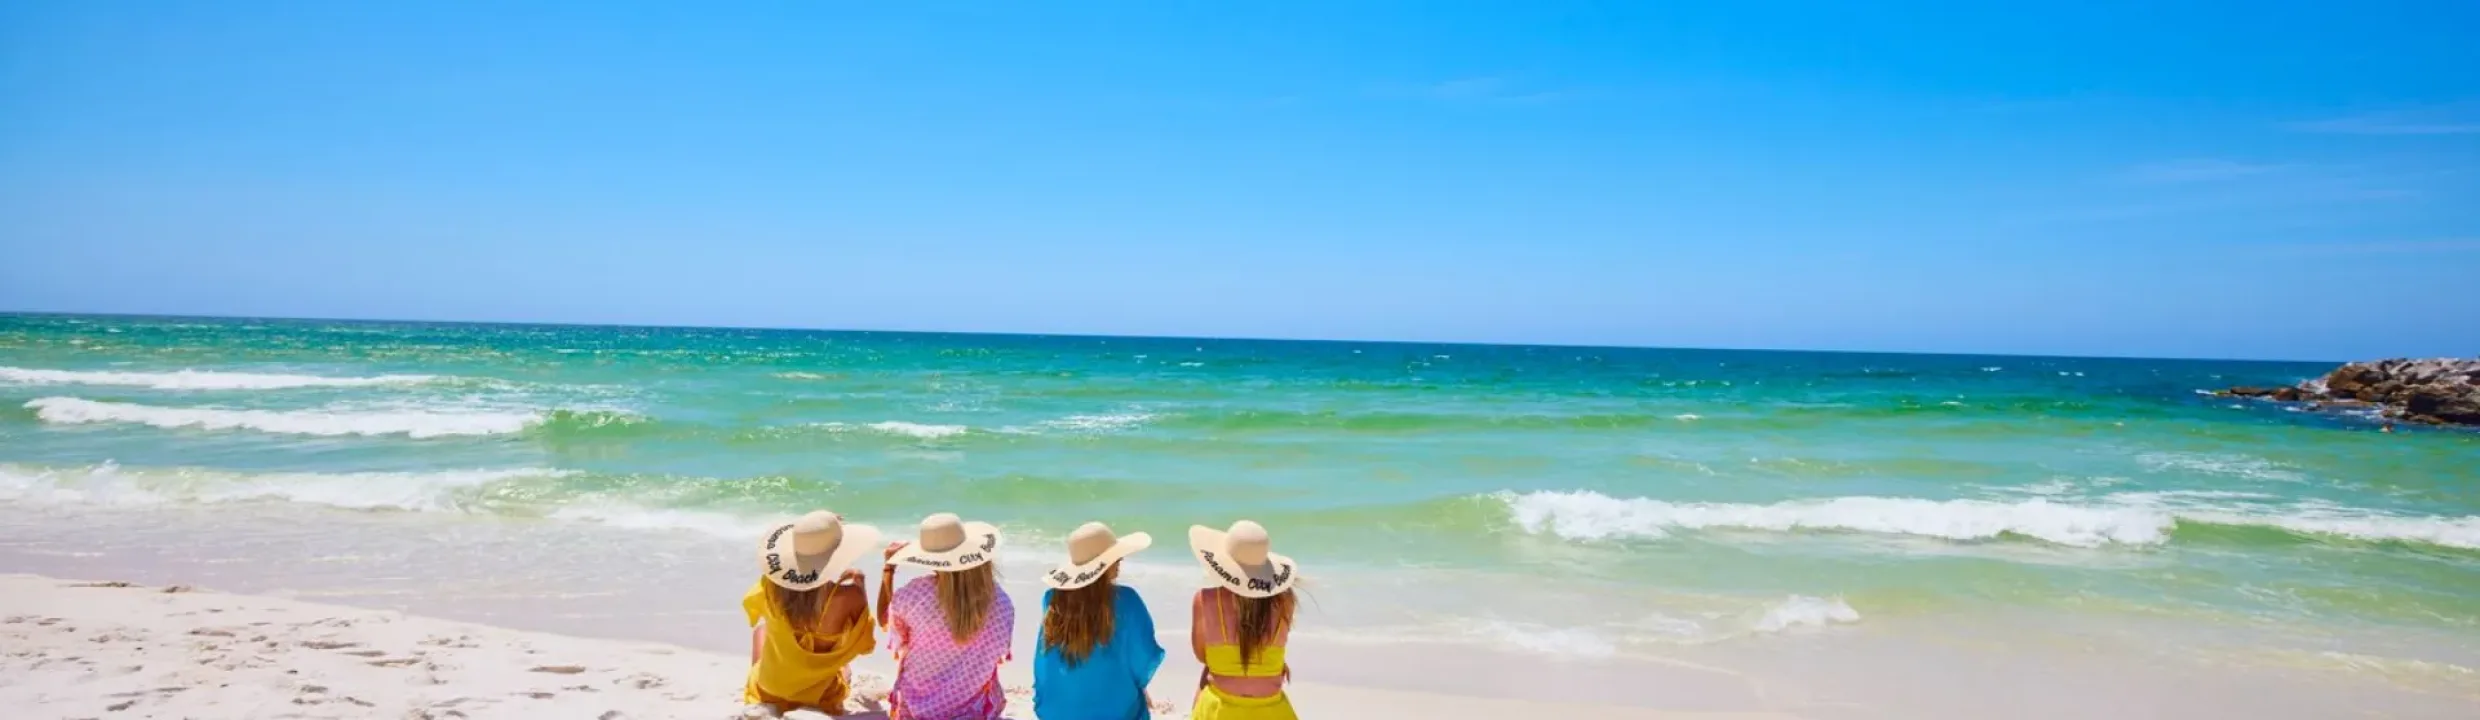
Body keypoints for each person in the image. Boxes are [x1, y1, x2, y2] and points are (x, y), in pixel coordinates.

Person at [744, 510, 882, 717]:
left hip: (769, 688)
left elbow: (754, 607)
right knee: (844, 666)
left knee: (762, 630)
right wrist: (859, 584)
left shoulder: (770, 587)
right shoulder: (849, 595)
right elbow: (865, 644)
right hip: (819, 695)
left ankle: (771, 700)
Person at [878, 513, 1015, 720]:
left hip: (917, 711)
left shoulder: (916, 594)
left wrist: (889, 569)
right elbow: (997, 653)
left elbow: (885, 621)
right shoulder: (1003, 603)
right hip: (974, 711)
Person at [1033, 522, 1164, 720]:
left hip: (1057, 711)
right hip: (1114, 712)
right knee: (1131, 698)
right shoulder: (1127, 601)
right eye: (1115, 557)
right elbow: (1144, 659)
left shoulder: (1052, 599)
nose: (1121, 560)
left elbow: (1043, 662)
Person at [1187, 520, 1300, 720]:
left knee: (1208, 674)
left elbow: (1203, 655)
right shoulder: (1285, 601)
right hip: (1273, 711)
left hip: (1220, 711)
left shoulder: (1205, 600)